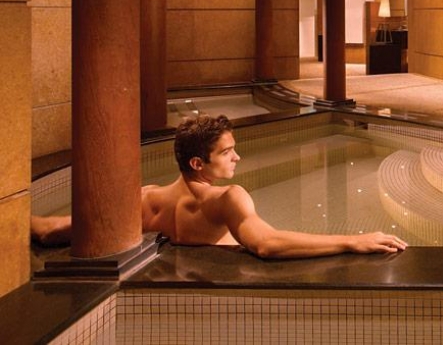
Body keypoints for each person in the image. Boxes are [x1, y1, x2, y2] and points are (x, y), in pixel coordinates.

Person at [30, 115, 407, 258]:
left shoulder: (146, 198)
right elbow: (267, 244)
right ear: (198, 163)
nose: (237, 158)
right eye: (227, 152)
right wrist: (351, 240)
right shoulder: (227, 198)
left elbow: (51, 230)